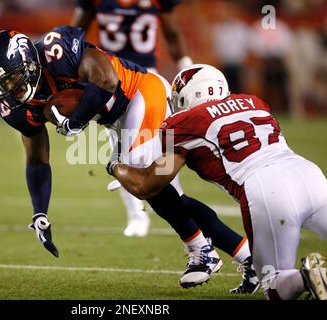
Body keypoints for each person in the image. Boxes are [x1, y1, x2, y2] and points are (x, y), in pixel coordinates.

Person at [0, 27, 258, 291]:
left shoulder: (56, 51)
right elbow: (37, 160)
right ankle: (245, 257)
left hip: (140, 91)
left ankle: (205, 251)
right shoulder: (16, 107)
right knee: (167, 195)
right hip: (116, 120)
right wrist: (40, 212)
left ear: (28, 63)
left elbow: (107, 79)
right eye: (0, 84)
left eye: (11, 78)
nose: (8, 89)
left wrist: (77, 121)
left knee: (147, 184)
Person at [107, 64, 327, 300]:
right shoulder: (254, 102)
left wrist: (116, 165)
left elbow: (147, 185)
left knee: (275, 286)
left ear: (193, 93)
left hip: (268, 190)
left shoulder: (187, 121)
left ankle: (308, 276)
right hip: (310, 175)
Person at [72, 0, 193, 237]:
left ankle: (179, 207)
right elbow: (74, 36)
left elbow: (172, 31)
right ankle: (137, 215)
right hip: (112, 80)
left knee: (162, 150)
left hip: (148, 81)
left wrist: (187, 67)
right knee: (122, 151)